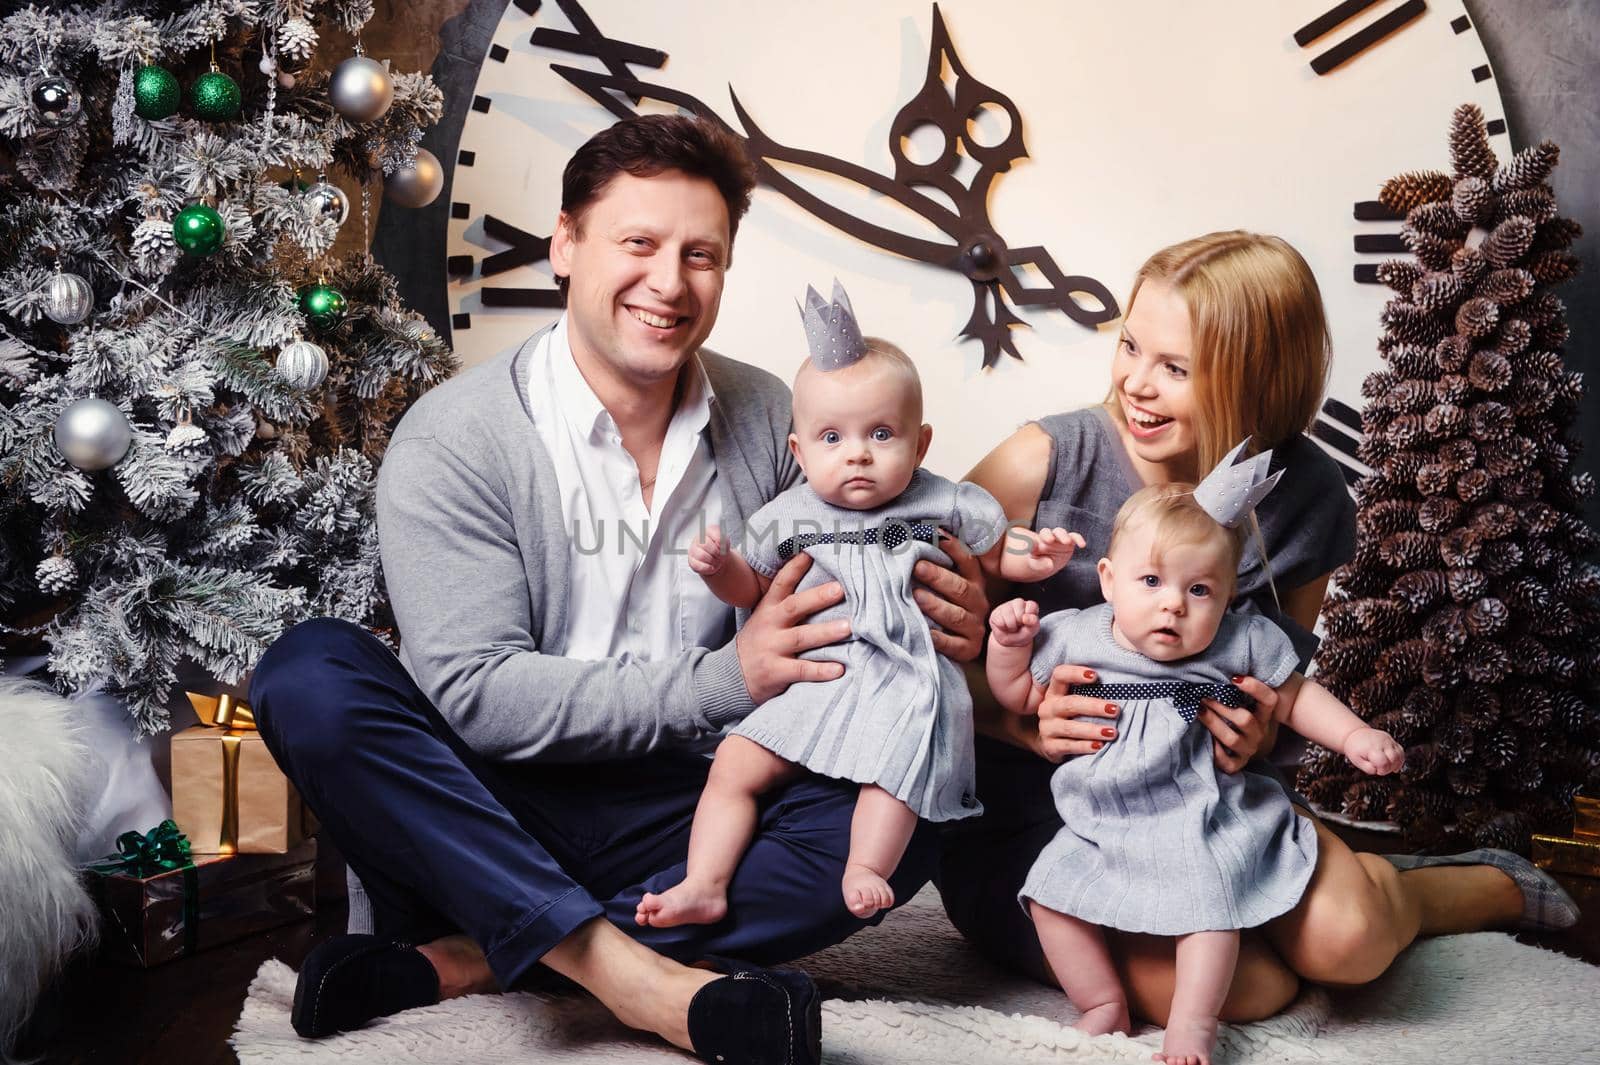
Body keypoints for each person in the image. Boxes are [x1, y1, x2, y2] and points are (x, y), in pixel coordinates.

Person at [247, 114, 989, 1065]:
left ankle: (470, 957)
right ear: (565, 245)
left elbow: (856, 575)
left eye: (702, 254)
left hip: (696, 809)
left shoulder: (776, 417)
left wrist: (946, 612)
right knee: (309, 672)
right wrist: (727, 680)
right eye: (637, 243)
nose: (670, 283)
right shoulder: (458, 436)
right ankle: (638, 979)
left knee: (909, 804)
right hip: (490, 807)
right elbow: (478, 696)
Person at [940, 230, 1578, 1027]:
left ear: (1255, 377)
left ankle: (1441, 887)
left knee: (1351, 941)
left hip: (1210, 799)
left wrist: (1256, 731)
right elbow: (907, 640)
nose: (1136, 383)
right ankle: (1333, 890)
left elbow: (1278, 682)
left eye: (1175, 368)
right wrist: (1015, 718)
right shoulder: (1042, 462)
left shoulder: (1307, 495)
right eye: (1132, 346)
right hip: (1044, 811)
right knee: (1248, 989)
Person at [636, 283, 1081, 928]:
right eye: (832, 438)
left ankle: (866, 864)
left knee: (893, 774)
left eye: (880, 433)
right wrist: (722, 570)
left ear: (921, 444)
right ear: (799, 451)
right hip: (820, 680)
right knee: (734, 763)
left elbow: (992, 547)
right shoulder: (789, 514)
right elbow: (754, 591)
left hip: (904, 683)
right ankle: (704, 881)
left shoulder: (940, 500)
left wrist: (1030, 557)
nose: (858, 454)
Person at [987, 472, 1405, 1065]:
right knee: (1050, 898)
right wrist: (1008, 645)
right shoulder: (1077, 635)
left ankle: (1193, 1023)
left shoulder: (1239, 641)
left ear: (1230, 594)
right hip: (1100, 822)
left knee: (1208, 906)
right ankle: (1102, 1001)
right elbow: (1018, 698)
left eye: (1200, 590)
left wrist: (1354, 735)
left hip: (1199, 816)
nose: (1172, 604)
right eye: (1151, 581)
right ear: (1108, 580)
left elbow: (1294, 696)